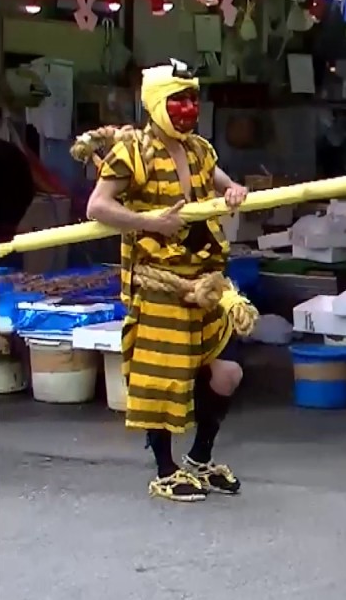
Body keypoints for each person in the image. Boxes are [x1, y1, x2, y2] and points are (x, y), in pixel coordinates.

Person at [82, 61, 250, 503]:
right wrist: (147, 222)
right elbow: (97, 207)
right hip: (159, 284)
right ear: (157, 103)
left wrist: (234, 192)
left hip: (205, 279)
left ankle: (199, 458)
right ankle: (164, 469)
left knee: (227, 373)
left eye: (193, 100)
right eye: (178, 100)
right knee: (162, 379)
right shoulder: (131, 152)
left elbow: (224, 184)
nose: (187, 109)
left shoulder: (199, 149)